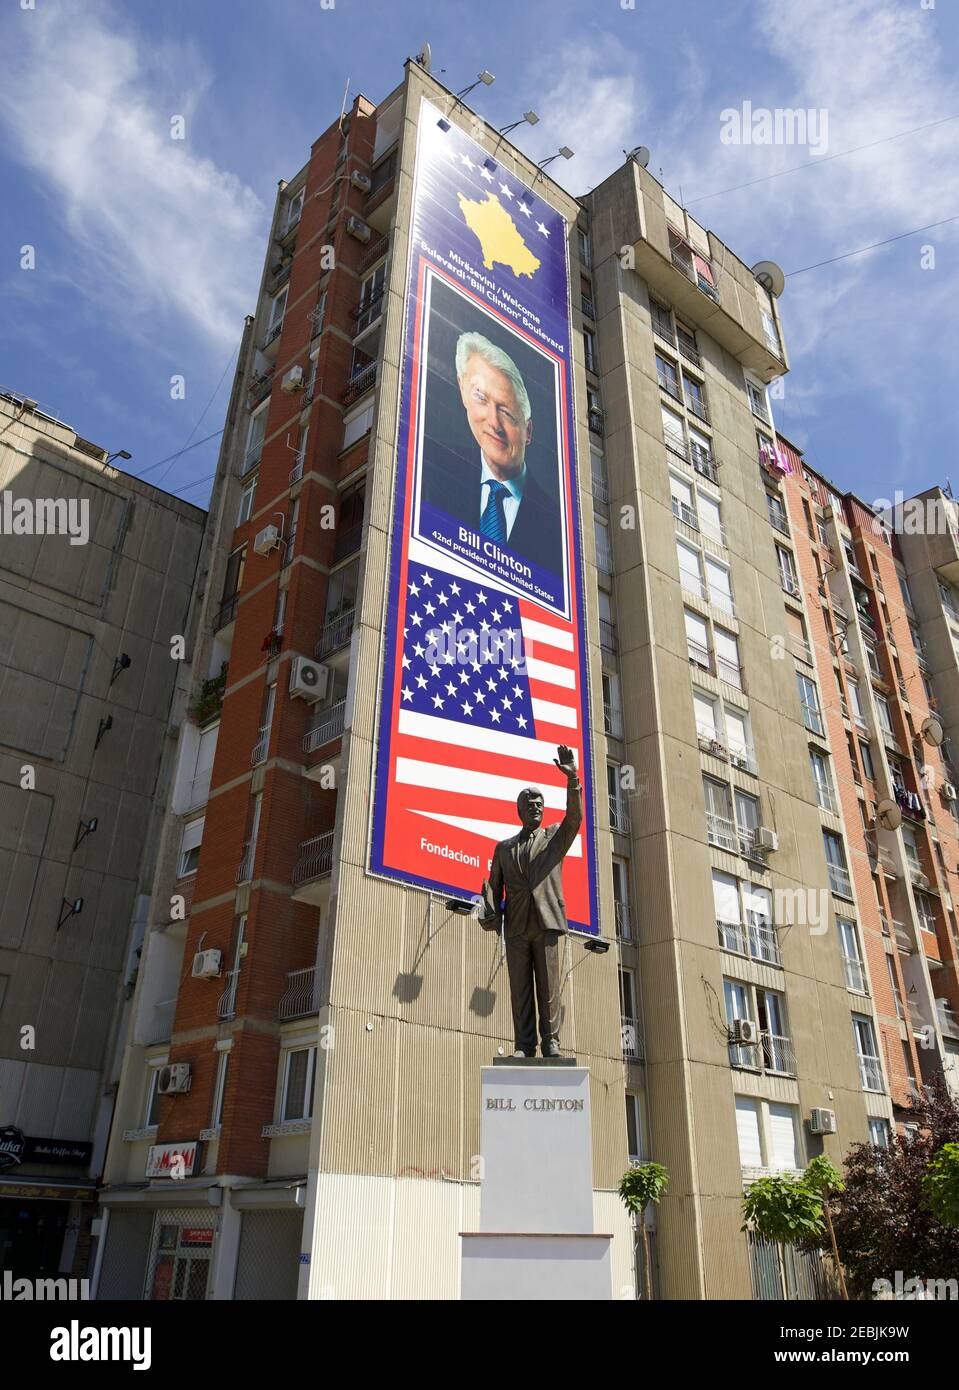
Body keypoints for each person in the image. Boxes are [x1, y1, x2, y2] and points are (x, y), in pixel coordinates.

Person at [426, 331, 563, 578]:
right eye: (481, 398)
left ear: (528, 431)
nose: (494, 424)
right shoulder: (429, 466)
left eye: (508, 413)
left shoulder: (558, 526)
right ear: (462, 390)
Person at [479, 746, 582, 1057]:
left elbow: (574, 818)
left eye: (540, 804)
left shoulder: (554, 838)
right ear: (519, 810)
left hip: (546, 922)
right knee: (520, 990)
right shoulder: (503, 849)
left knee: (549, 988)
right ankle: (524, 1045)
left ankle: (551, 1043)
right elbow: (493, 890)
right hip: (517, 927)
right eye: (530, 804)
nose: (536, 807)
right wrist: (490, 913)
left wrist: (572, 778)